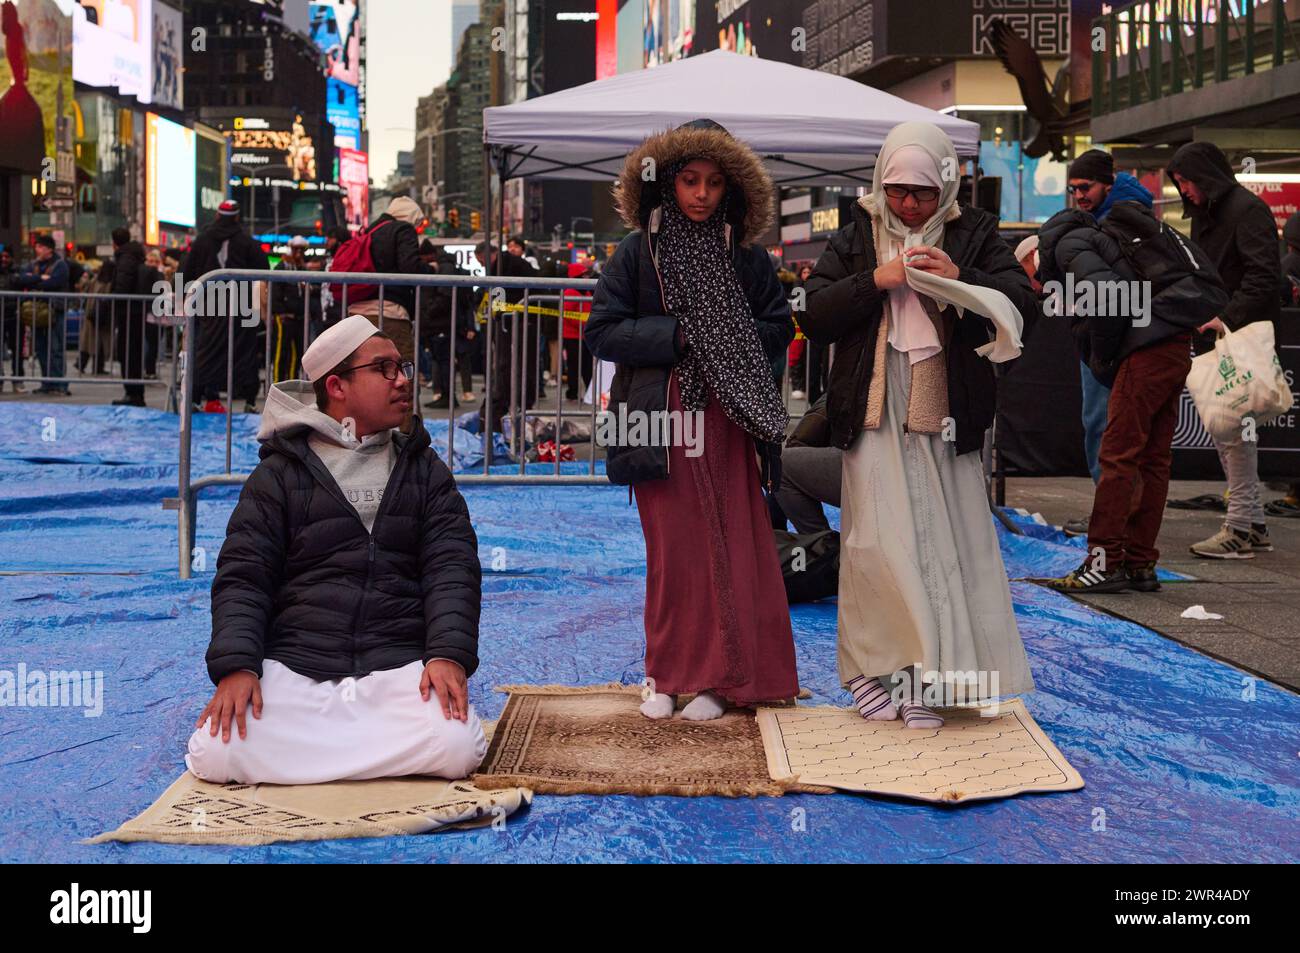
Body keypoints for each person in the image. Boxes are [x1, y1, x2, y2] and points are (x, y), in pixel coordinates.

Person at [185, 314, 486, 784]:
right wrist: (238, 666)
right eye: (384, 369)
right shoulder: (279, 476)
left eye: (402, 367)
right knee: (216, 755)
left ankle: (316, 760)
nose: (403, 380)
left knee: (457, 749)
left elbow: (453, 567)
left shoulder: (425, 470)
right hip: (297, 665)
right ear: (337, 386)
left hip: (396, 663)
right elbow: (245, 576)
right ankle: (362, 755)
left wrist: (446, 654)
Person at [803, 121, 1036, 727]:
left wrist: (959, 278)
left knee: (946, 539)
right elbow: (815, 314)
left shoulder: (976, 233)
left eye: (923, 193)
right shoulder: (858, 233)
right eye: (897, 189)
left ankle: (932, 680)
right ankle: (871, 675)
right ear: (880, 183)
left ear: (947, 188)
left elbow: (1021, 302)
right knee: (873, 543)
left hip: (947, 410)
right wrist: (873, 281)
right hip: (872, 408)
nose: (908, 204)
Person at [586, 118, 799, 721]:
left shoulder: (748, 258)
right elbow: (602, 331)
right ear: (667, 184)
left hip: (730, 419)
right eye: (689, 180)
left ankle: (718, 681)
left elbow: (779, 328)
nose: (701, 193)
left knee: (728, 545)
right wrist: (681, 334)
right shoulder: (636, 251)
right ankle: (665, 675)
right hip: (658, 419)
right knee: (673, 551)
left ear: (730, 189)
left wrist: (723, 337)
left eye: (712, 182)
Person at [1038, 191, 1224, 591]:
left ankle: (1103, 563)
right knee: (1153, 458)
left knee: (1118, 455)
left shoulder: (1070, 245)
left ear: (1040, 249)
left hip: (1145, 352)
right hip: (1174, 344)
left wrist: (1106, 356)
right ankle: (1140, 563)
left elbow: (1111, 301)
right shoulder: (1105, 241)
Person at [1167, 142, 1283, 558]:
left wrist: (1226, 318)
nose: (1183, 191)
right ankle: (1251, 524)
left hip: (1237, 336)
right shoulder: (1216, 210)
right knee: (1232, 432)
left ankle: (1239, 527)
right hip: (1224, 334)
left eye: (1185, 181)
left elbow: (1262, 275)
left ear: (1204, 176)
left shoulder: (1244, 211)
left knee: (1232, 432)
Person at [1061, 150, 1154, 534]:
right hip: (1120, 334)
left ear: (1108, 184)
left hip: (1113, 336)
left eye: (1086, 187)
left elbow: (1112, 288)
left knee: (1104, 425)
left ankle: (1111, 515)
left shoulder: (1116, 221)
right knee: (1113, 427)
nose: (1079, 194)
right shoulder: (1119, 215)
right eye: (1073, 189)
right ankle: (1120, 514)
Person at [184, 200, 270, 414]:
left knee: (206, 350)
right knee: (244, 350)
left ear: (217, 216)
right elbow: (264, 268)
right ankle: (250, 400)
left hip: (210, 302)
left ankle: (197, 397)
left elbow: (187, 270)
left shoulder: (202, 241)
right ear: (237, 217)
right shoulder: (247, 242)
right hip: (240, 303)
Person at [477, 239, 541, 434]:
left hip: (518, 322)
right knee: (514, 366)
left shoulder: (505, 266)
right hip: (518, 321)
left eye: (480, 261)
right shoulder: (509, 264)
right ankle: (518, 406)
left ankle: (510, 409)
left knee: (510, 366)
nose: (481, 265)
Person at [11, 235, 70, 395]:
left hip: (54, 311)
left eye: (40, 247)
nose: (37, 250)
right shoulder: (33, 264)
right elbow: (21, 280)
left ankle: (59, 384)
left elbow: (54, 283)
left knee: (56, 348)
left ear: (49, 249)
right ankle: (47, 383)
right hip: (36, 312)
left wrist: (34, 281)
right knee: (41, 348)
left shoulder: (60, 265)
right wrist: (39, 278)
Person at [270, 236, 320, 383]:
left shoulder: (302, 268)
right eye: (295, 249)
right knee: (281, 353)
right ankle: (278, 386)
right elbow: (275, 292)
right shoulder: (282, 266)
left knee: (297, 355)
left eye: (301, 249)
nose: (298, 252)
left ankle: (291, 386)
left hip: (299, 318)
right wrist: (281, 311)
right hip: (284, 317)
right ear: (291, 249)